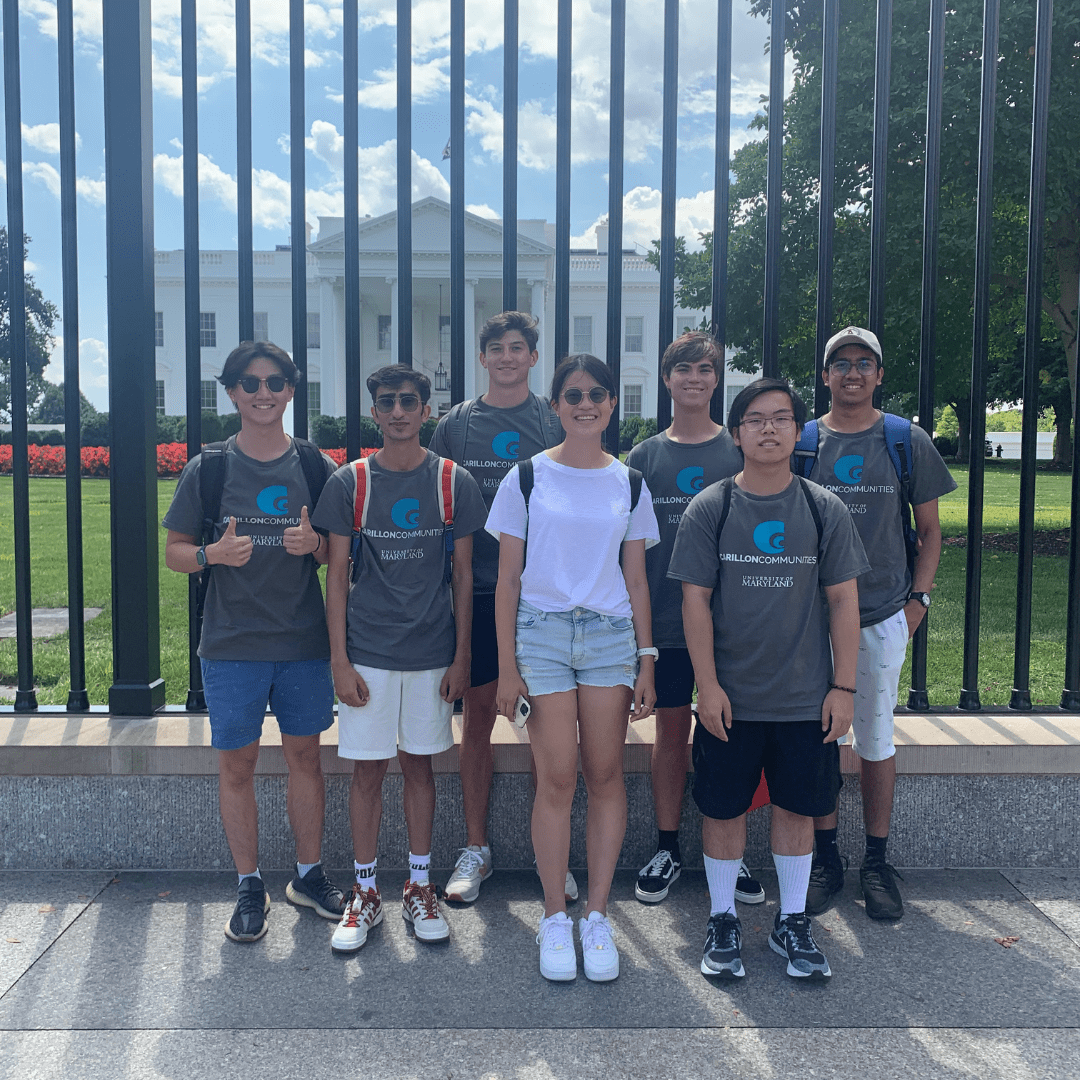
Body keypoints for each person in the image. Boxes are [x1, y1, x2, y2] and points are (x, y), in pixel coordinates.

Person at [668, 378, 869, 980]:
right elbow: (694, 603)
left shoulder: (821, 507)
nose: (769, 429)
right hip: (732, 696)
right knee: (723, 810)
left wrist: (844, 687)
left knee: (797, 808)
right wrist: (708, 685)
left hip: (806, 698)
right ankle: (723, 917)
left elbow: (844, 602)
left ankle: (793, 921)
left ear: (798, 432)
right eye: (755, 419)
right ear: (736, 434)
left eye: (782, 418)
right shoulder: (713, 506)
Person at [162, 340, 345, 943]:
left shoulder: (315, 466)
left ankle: (309, 875)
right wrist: (212, 555)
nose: (263, 392)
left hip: (301, 640)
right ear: (233, 391)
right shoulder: (208, 468)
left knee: (305, 759)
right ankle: (248, 883)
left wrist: (313, 546)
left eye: (274, 382)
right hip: (232, 642)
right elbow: (174, 554)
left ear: (291, 390)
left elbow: (337, 552)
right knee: (236, 763)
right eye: (250, 382)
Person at [487, 353, 660, 983]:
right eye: (573, 394)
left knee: (606, 772)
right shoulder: (526, 477)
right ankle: (555, 916)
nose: (586, 403)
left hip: (612, 635)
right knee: (556, 777)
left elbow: (637, 577)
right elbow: (507, 580)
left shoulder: (630, 482)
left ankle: (596, 914)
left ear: (612, 403)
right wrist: (507, 667)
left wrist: (647, 660)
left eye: (598, 394)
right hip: (545, 633)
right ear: (555, 404)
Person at [313, 364, 487, 955]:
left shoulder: (452, 481)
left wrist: (463, 657)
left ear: (426, 410)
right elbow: (336, 578)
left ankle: (418, 885)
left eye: (408, 401)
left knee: (419, 767)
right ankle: (365, 892)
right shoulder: (350, 482)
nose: (397, 412)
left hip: (432, 651)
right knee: (367, 771)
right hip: (367, 651)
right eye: (386, 402)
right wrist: (338, 659)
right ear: (374, 412)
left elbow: (463, 577)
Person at [798, 327, 956, 921]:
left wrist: (920, 599)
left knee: (875, 739)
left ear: (879, 374)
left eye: (865, 363)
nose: (853, 373)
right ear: (826, 375)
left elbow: (932, 530)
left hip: (883, 612)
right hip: (810, 621)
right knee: (820, 739)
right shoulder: (805, 441)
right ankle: (826, 858)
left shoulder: (903, 439)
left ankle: (877, 860)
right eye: (841, 364)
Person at [429, 311, 567, 905]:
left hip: (540, 595)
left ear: (533, 358)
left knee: (544, 727)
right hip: (477, 591)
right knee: (479, 721)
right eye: (496, 348)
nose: (507, 357)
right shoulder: (456, 424)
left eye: (518, 348)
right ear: (481, 357)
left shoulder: (553, 419)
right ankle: (477, 848)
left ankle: (550, 853)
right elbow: (430, 498)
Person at [625, 331, 764, 906]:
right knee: (672, 733)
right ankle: (667, 847)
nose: (695, 378)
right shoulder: (645, 457)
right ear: (667, 379)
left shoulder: (737, 452)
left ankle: (730, 854)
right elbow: (629, 550)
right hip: (665, 623)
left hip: (732, 627)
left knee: (733, 737)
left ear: (716, 380)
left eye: (706, 369)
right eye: (684, 369)